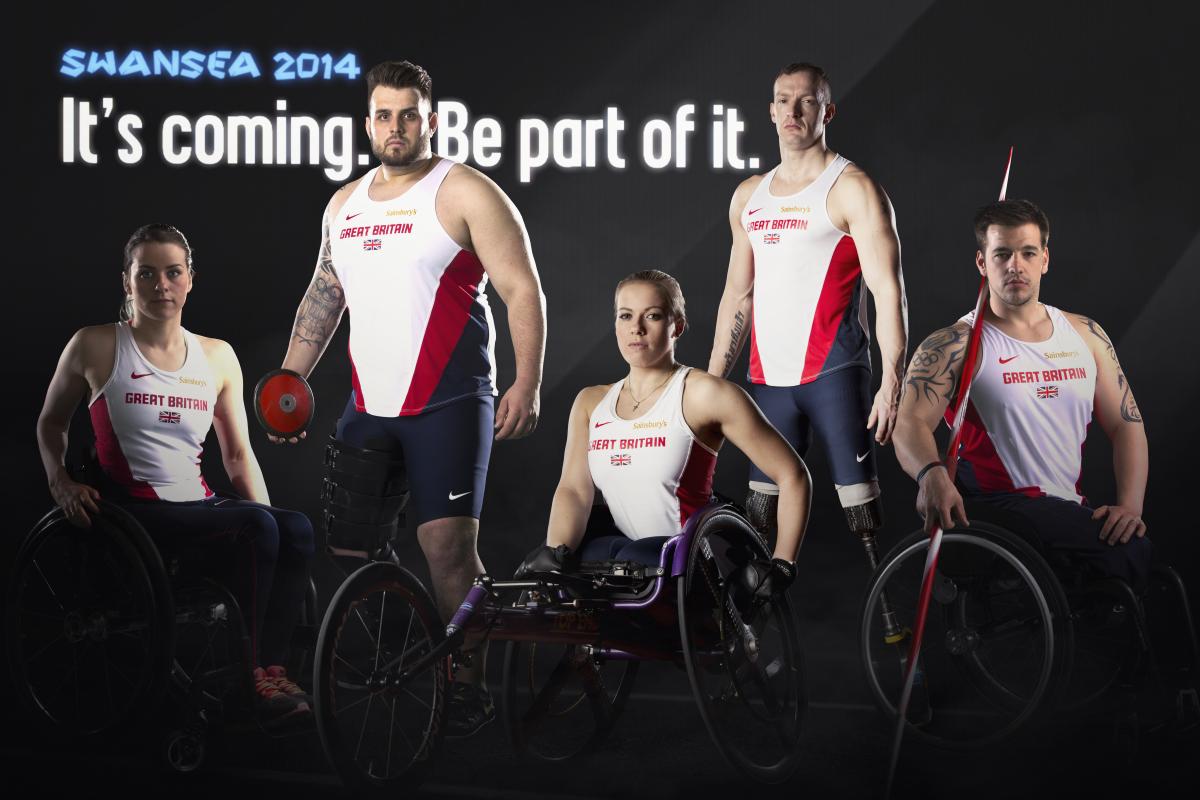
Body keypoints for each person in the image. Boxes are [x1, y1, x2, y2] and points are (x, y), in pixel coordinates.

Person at [275, 60, 547, 737]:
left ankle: (468, 685)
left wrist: (527, 382)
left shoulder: (466, 193)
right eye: (383, 115)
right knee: (347, 547)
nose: (395, 127)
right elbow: (323, 297)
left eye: (408, 114)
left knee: (449, 550)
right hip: (370, 405)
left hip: (450, 405)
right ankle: (429, 631)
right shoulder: (344, 204)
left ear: (431, 119)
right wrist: (289, 382)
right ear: (369, 123)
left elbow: (522, 290)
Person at [36, 223, 316, 726]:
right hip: (134, 514)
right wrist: (60, 481)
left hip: (199, 506)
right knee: (259, 529)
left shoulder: (217, 355)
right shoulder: (95, 345)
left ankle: (272, 669)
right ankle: (249, 676)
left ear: (190, 281)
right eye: (147, 274)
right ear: (128, 282)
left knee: (292, 526)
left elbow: (237, 455)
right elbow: (51, 423)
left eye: (172, 273)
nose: (160, 285)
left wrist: (268, 513)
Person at [706, 62, 907, 573]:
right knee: (759, 514)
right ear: (771, 111)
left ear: (827, 111)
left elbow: (889, 291)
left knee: (862, 513)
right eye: (783, 100)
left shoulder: (853, 188)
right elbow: (737, 295)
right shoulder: (749, 196)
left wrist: (891, 382)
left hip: (835, 374)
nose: (793, 110)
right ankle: (756, 627)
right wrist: (709, 383)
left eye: (807, 101)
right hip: (768, 381)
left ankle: (892, 623)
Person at [893, 199, 1151, 588]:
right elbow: (909, 422)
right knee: (1129, 554)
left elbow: (1126, 423)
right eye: (1002, 254)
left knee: (1129, 542)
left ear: (1044, 259)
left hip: (1065, 506)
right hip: (998, 507)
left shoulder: (1085, 335)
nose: (1016, 265)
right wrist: (930, 475)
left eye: (1028, 252)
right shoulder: (956, 344)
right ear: (982, 263)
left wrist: (1130, 507)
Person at [518, 270, 811, 601]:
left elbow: (793, 474)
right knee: (576, 564)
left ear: (678, 326)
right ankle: (581, 651)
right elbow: (573, 490)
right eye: (625, 316)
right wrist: (556, 554)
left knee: (636, 558)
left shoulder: (704, 394)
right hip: (627, 558)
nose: (636, 328)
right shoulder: (591, 402)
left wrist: (782, 565)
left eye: (653, 316)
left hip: (689, 562)